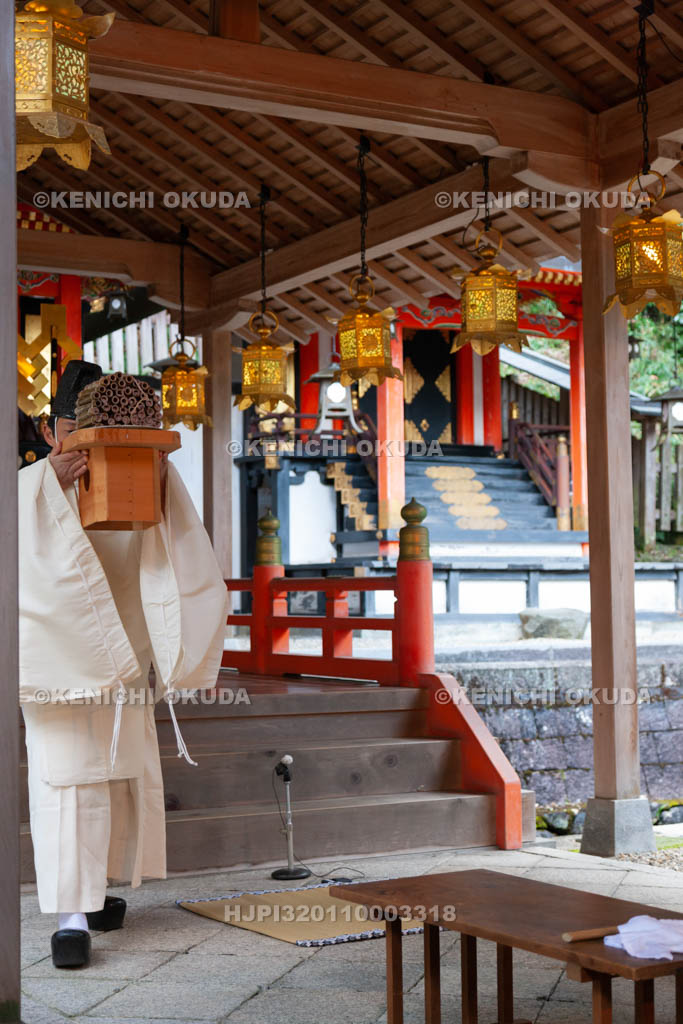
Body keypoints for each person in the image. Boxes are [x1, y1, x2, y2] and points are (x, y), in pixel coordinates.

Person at [19, 360, 229, 969]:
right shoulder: (28, 487)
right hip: (61, 654)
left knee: (118, 774)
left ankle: (100, 890)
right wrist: (45, 483)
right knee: (68, 779)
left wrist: (159, 476)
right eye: (75, 432)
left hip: (127, 647)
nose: (91, 448)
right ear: (50, 430)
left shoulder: (140, 471)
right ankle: (70, 915)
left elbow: (178, 552)